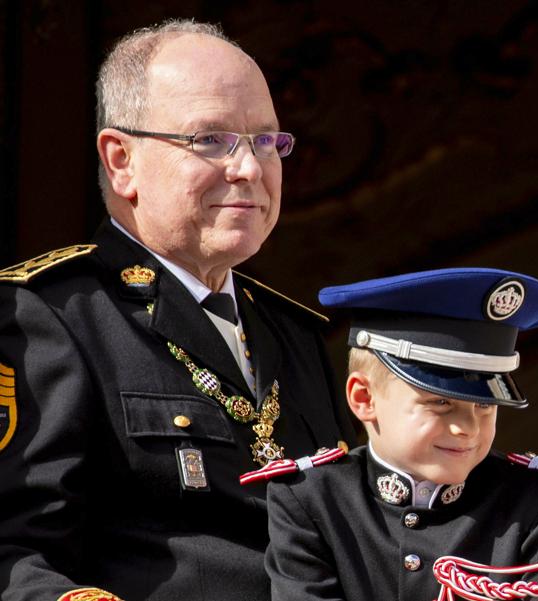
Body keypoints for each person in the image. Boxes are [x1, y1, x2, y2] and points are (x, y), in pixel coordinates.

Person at [0, 20, 355, 601]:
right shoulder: (50, 317)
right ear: (121, 161)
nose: (248, 168)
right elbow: (14, 559)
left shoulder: (292, 334)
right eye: (210, 140)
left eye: (267, 141)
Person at [251, 268, 538, 601]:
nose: (468, 428)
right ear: (364, 398)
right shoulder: (310, 500)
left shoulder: (537, 503)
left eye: (485, 406)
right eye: (441, 402)